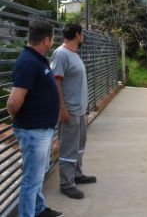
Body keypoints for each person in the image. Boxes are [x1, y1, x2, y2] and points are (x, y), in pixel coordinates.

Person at [7, 20, 63, 217]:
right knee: (31, 180)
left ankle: (38, 210)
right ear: (46, 40)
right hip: (33, 131)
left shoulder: (37, 59)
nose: (54, 42)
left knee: (37, 176)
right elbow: (13, 102)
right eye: (53, 38)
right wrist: (23, 121)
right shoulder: (28, 62)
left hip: (41, 129)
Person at [51, 23, 96, 200]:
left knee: (78, 146)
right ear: (77, 35)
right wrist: (62, 109)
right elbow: (56, 83)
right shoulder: (61, 54)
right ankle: (66, 184)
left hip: (80, 110)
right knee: (68, 148)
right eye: (82, 34)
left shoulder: (74, 54)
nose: (83, 37)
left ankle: (76, 175)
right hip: (69, 111)